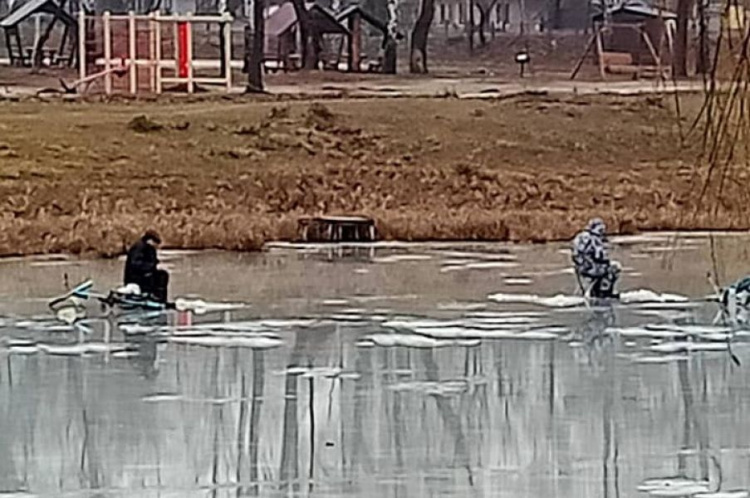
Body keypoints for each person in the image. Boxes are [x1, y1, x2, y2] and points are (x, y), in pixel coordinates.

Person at [571, 218, 621, 299]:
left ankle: (596, 289)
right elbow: (599, 256)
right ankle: (603, 292)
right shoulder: (594, 239)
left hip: (580, 269)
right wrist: (607, 258)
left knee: (604, 267)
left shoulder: (579, 236)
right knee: (615, 267)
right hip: (592, 268)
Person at [124, 230, 169, 303]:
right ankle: (154, 298)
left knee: (162, 275)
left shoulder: (151, 249)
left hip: (146, 273)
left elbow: (153, 261)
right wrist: (153, 267)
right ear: (150, 240)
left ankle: (161, 299)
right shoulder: (138, 248)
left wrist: (159, 265)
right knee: (156, 277)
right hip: (135, 277)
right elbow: (135, 264)